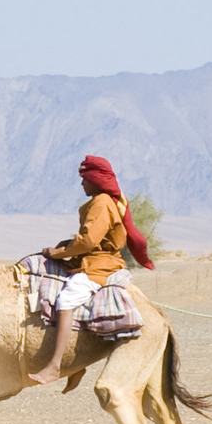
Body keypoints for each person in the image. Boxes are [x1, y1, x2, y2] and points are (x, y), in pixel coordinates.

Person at [27, 154, 156, 385]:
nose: (82, 183)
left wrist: (56, 253)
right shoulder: (104, 202)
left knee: (66, 300)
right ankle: (75, 360)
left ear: (95, 180)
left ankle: (56, 366)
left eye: (85, 178)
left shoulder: (102, 203)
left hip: (100, 265)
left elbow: (88, 242)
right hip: (93, 259)